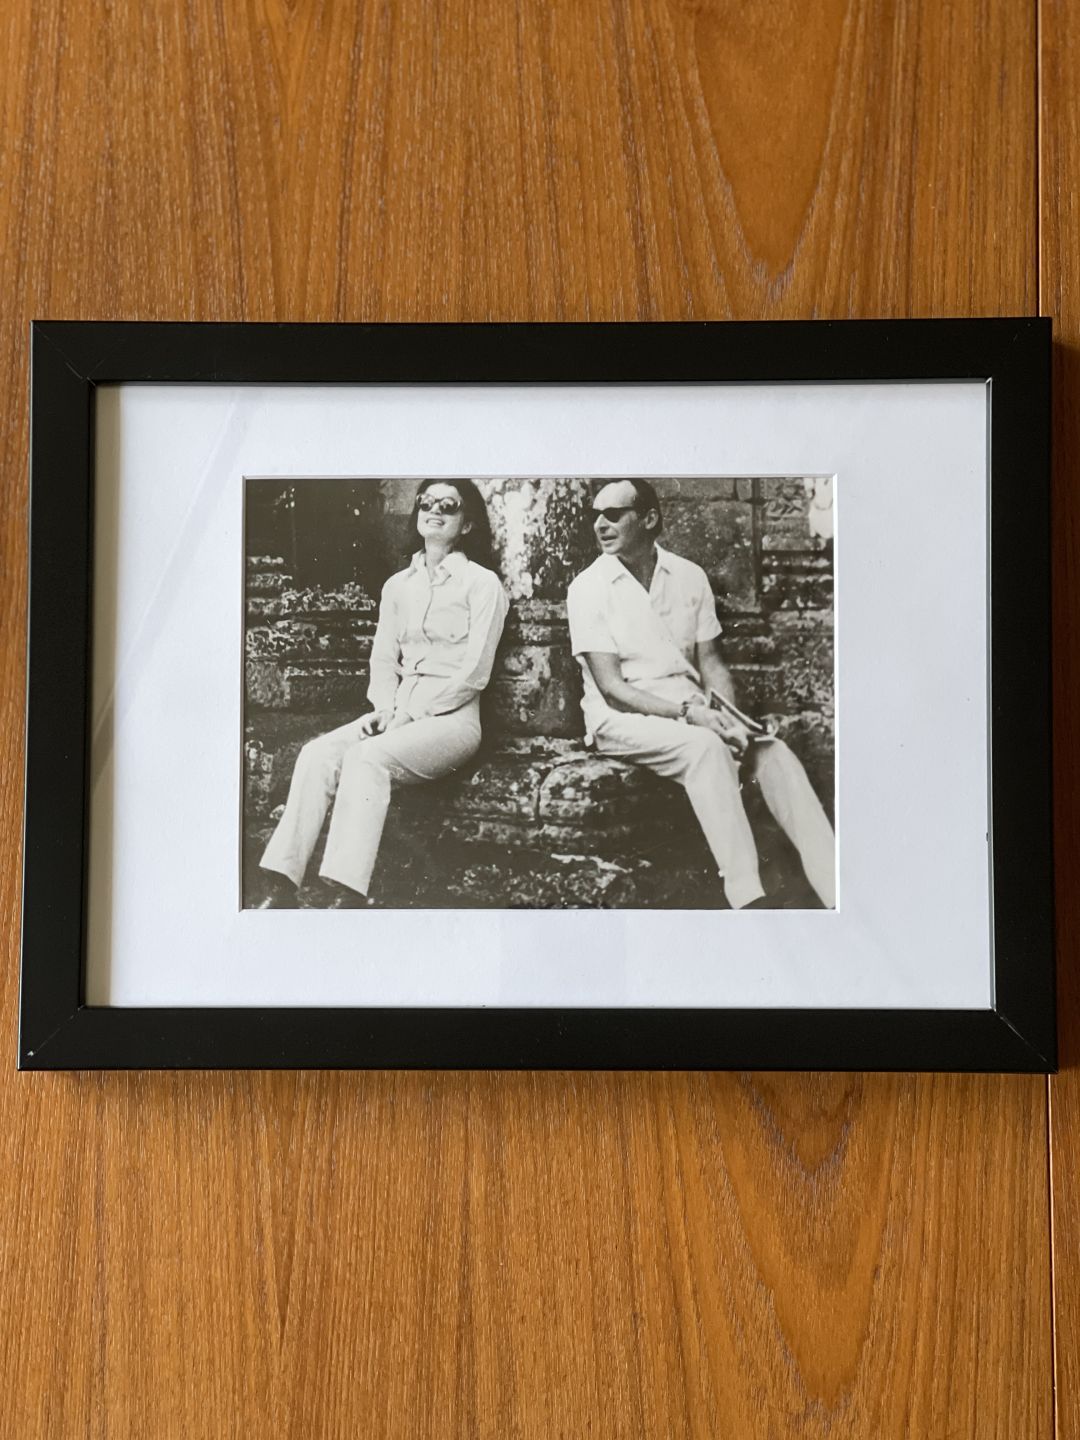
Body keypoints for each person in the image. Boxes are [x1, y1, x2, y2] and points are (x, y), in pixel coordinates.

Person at [566, 479, 835, 910]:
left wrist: (728, 717)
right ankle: (748, 898)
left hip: (692, 710)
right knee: (707, 749)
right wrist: (692, 716)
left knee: (772, 752)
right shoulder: (587, 588)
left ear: (649, 519)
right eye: (596, 515)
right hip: (620, 719)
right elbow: (612, 689)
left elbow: (711, 663)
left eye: (613, 514)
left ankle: (836, 888)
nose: (600, 524)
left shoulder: (689, 576)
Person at [258, 479, 509, 908]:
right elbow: (383, 660)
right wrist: (386, 708)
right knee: (317, 754)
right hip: (397, 713)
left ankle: (346, 892)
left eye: (448, 505)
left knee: (366, 757)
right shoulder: (398, 586)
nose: (434, 510)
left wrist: (412, 714)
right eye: (426, 502)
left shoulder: (482, 585)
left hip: (452, 721)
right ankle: (281, 885)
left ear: (467, 524)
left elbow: (474, 674)